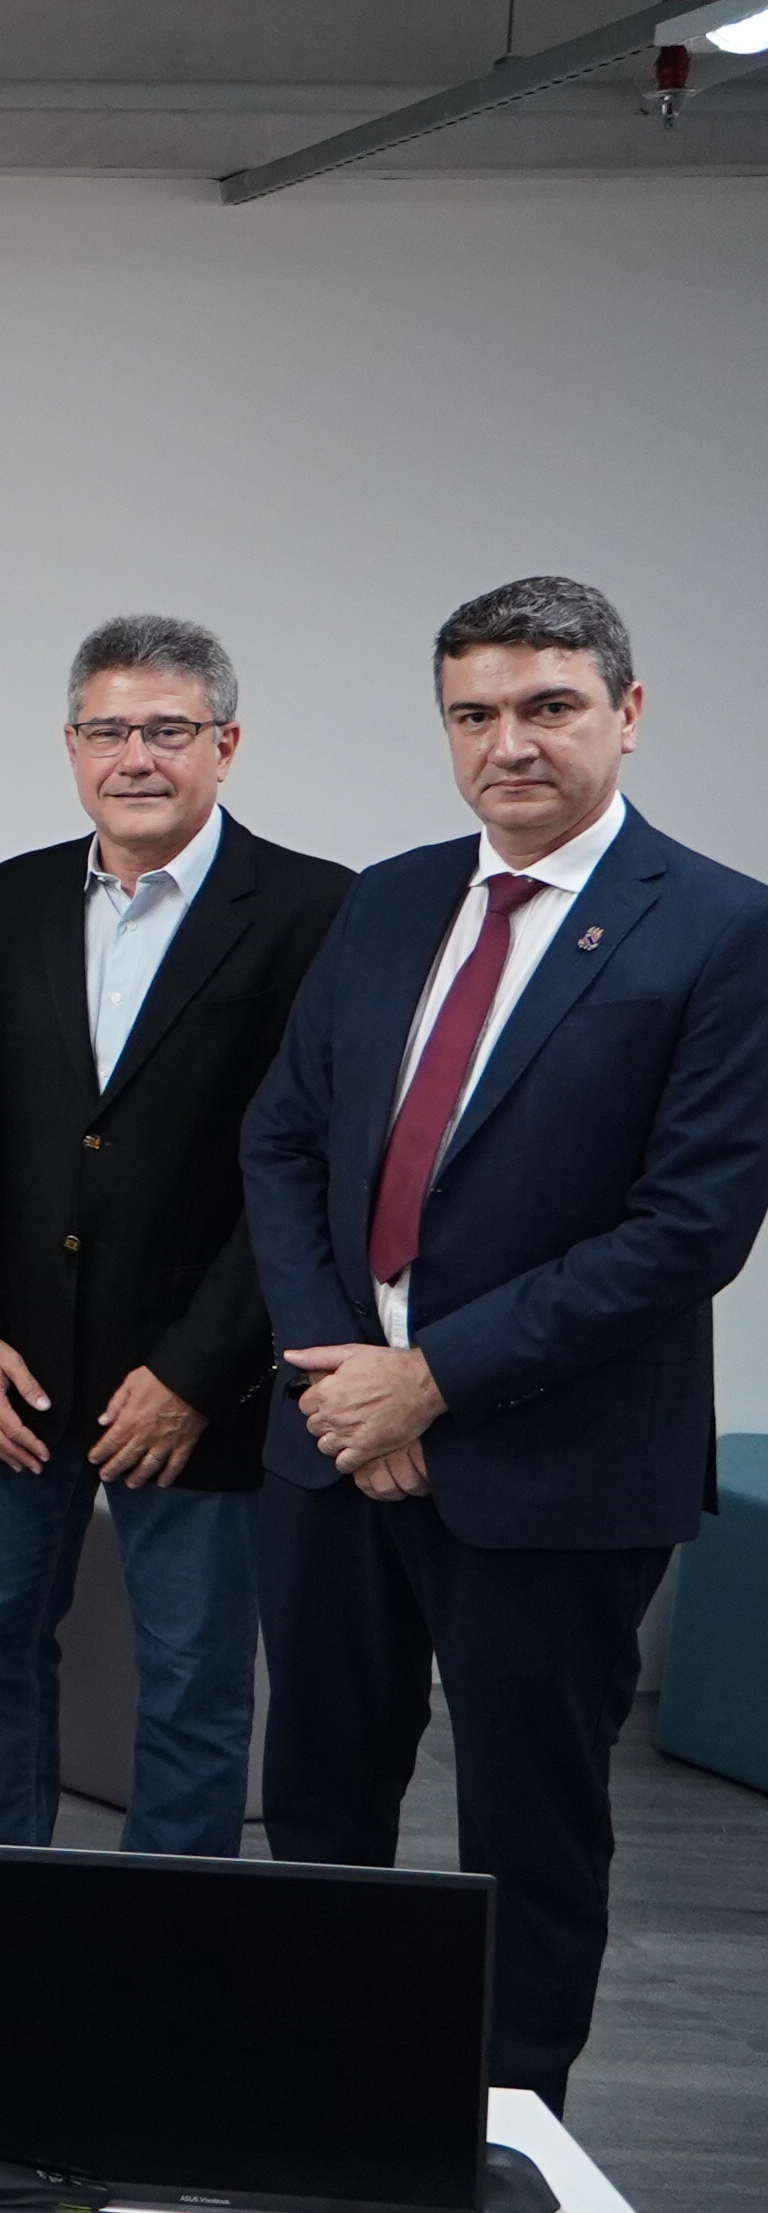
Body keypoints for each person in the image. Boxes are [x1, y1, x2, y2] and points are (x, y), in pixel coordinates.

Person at [243, 577, 768, 2110]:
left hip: (556, 1464)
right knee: (320, 1804)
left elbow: (687, 1230)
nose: (509, 742)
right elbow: (282, 1141)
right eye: (475, 712)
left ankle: (501, 2127)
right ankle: (320, 2103)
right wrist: (349, 1368)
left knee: (529, 1832)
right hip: (334, 1442)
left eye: (548, 706)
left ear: (628, 711)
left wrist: (435, 1377)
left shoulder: (725, 930)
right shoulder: (392, 897)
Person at [0, 617, 351, 2041]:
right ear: (71, 746)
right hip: (8, 1375)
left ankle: (162, 1967)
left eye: (168, 731)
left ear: (226, 746)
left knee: (196, 1689)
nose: (135, 757)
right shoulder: (8, 899)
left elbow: (307, 1169)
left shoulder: (317, 909)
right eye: (107, 731)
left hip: (195, 1390)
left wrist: (201, 1369)